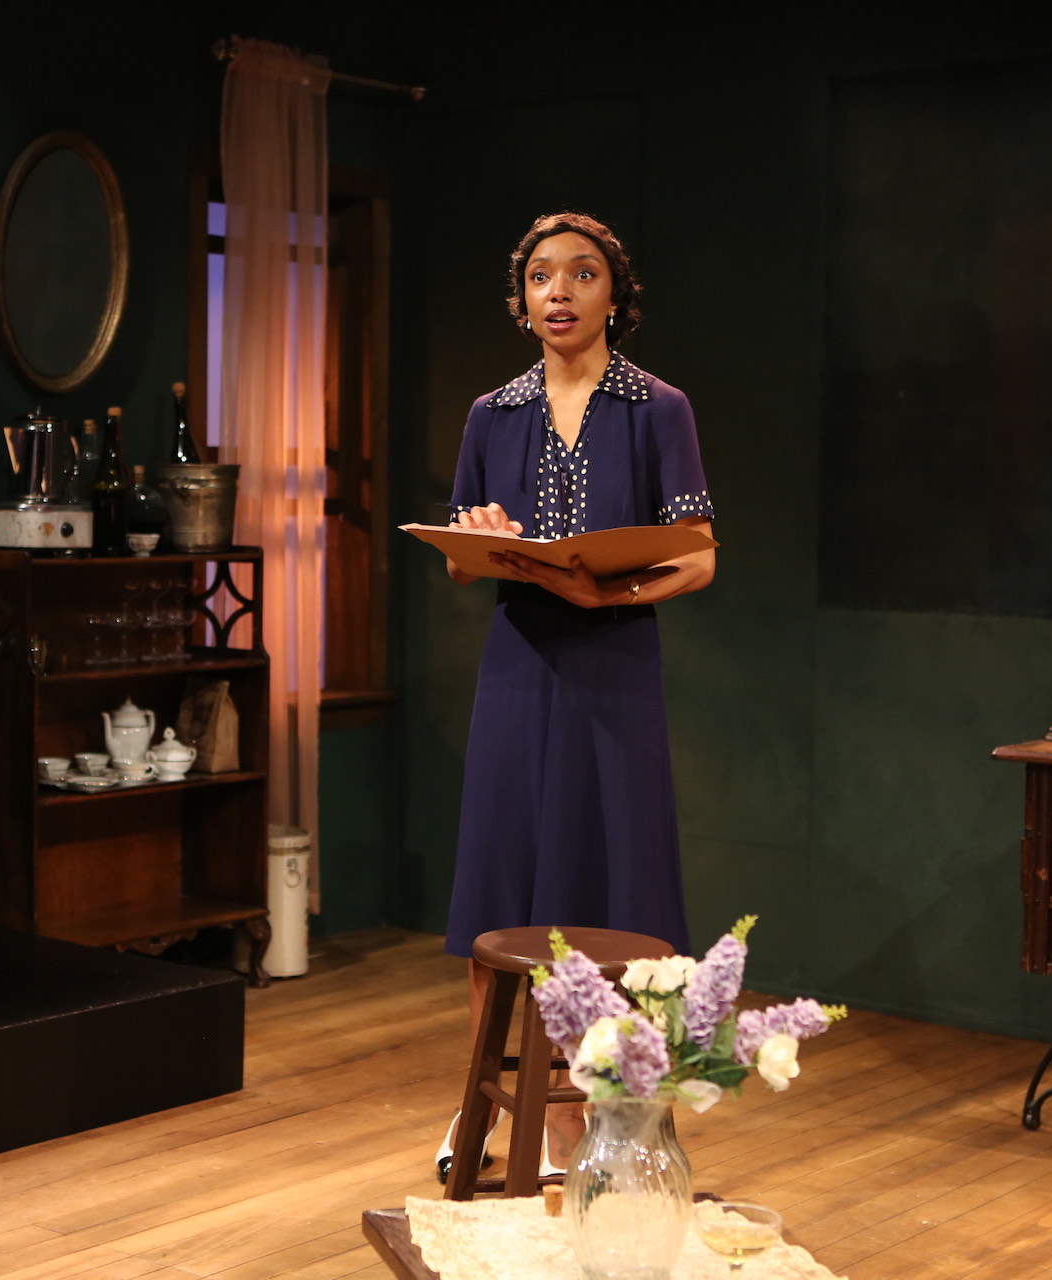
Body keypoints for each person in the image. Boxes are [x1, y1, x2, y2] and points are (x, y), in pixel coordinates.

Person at [434, 211, 716, 1184]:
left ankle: (604, 1118)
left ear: (614, 295)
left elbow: (698, 555)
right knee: (501, 886)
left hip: (615, 667)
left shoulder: (657, 408)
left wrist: (611, 593)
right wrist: (482, 541)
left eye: (582, 273)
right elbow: (461, 562)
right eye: (541, 276)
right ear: (521, 301)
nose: (559, 291)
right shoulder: (492, 413)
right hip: (519, 665)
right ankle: (481, 1104)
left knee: (614, 889)